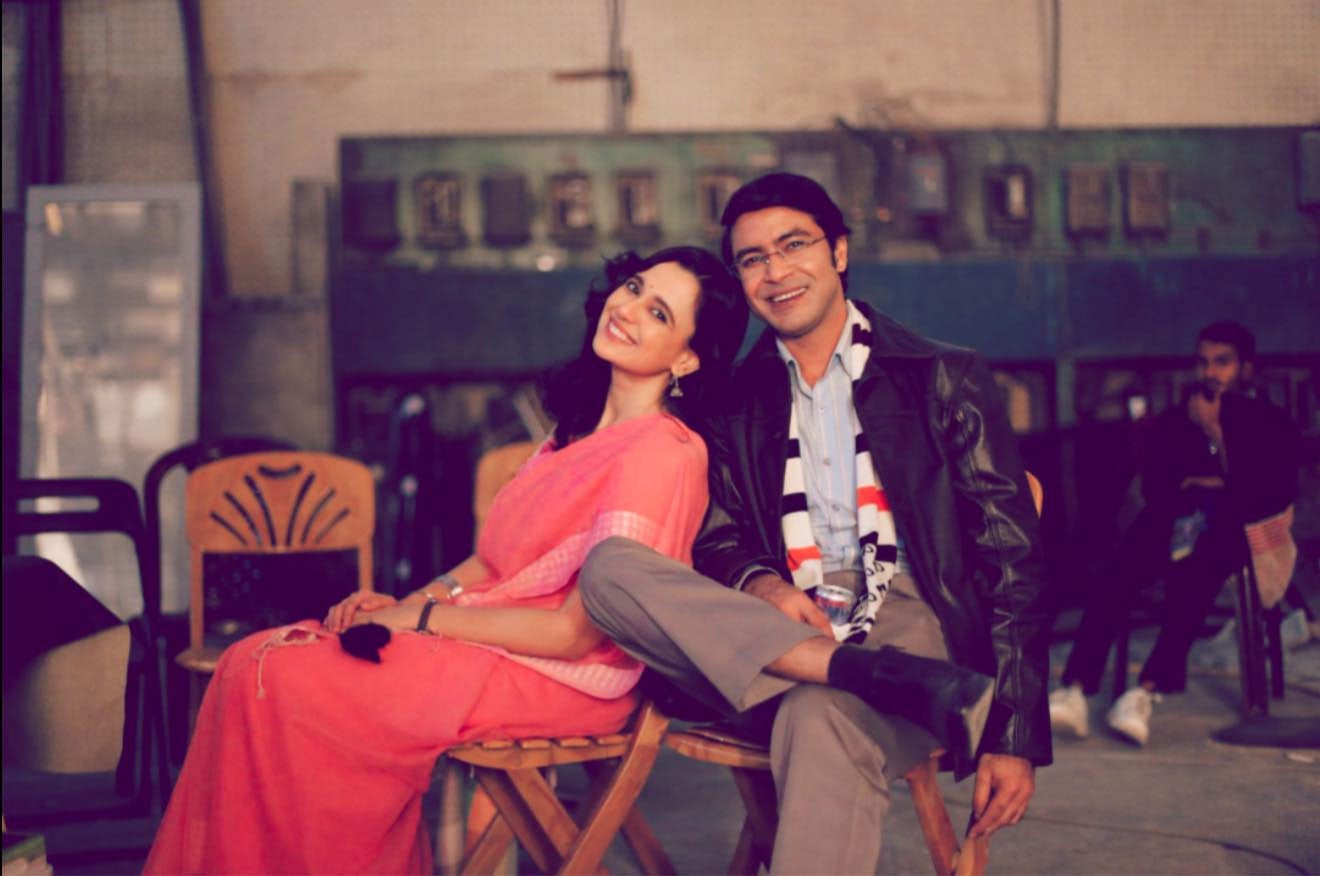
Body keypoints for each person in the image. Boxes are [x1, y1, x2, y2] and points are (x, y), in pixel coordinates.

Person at [143, 245, 748, 874]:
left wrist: (420, 621)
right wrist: (406, 605)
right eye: (634, 288)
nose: (628, 309)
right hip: (494, 643)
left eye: (658, 313)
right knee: (246, 665)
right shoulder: (574, 431)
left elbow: (573, 635)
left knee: (281, 681)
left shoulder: (661, 454)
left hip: (563, 674)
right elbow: (490, 563)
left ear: (687, 357)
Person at [579, 172, 1051, 873]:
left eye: (793, 245)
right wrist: (761, 583)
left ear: (839, 251)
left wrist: (1013, 733)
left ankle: (887, 674)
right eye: (753, 259)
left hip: (913, 624)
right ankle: (868, 674)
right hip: (778, 633)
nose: (775, 272)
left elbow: (1011, 561)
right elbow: (716, 533)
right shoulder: (730, 401)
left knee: (819, 716)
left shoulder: (941, 376)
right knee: (609, 568)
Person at [1050, 321, 1302, 745]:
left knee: (1197, 575)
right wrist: (1208, 479)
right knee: (1119, 568)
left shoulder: (1270, 421)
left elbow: (1264, 494)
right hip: (1175, 518)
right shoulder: (1178, 417)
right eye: (1203, 362)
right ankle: (1074, 688)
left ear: (1245, 368)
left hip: (1233, 528)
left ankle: (1144, 692)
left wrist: (1215, 434)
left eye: (1222, 362)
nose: (1210, 372)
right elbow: (1158, 486)